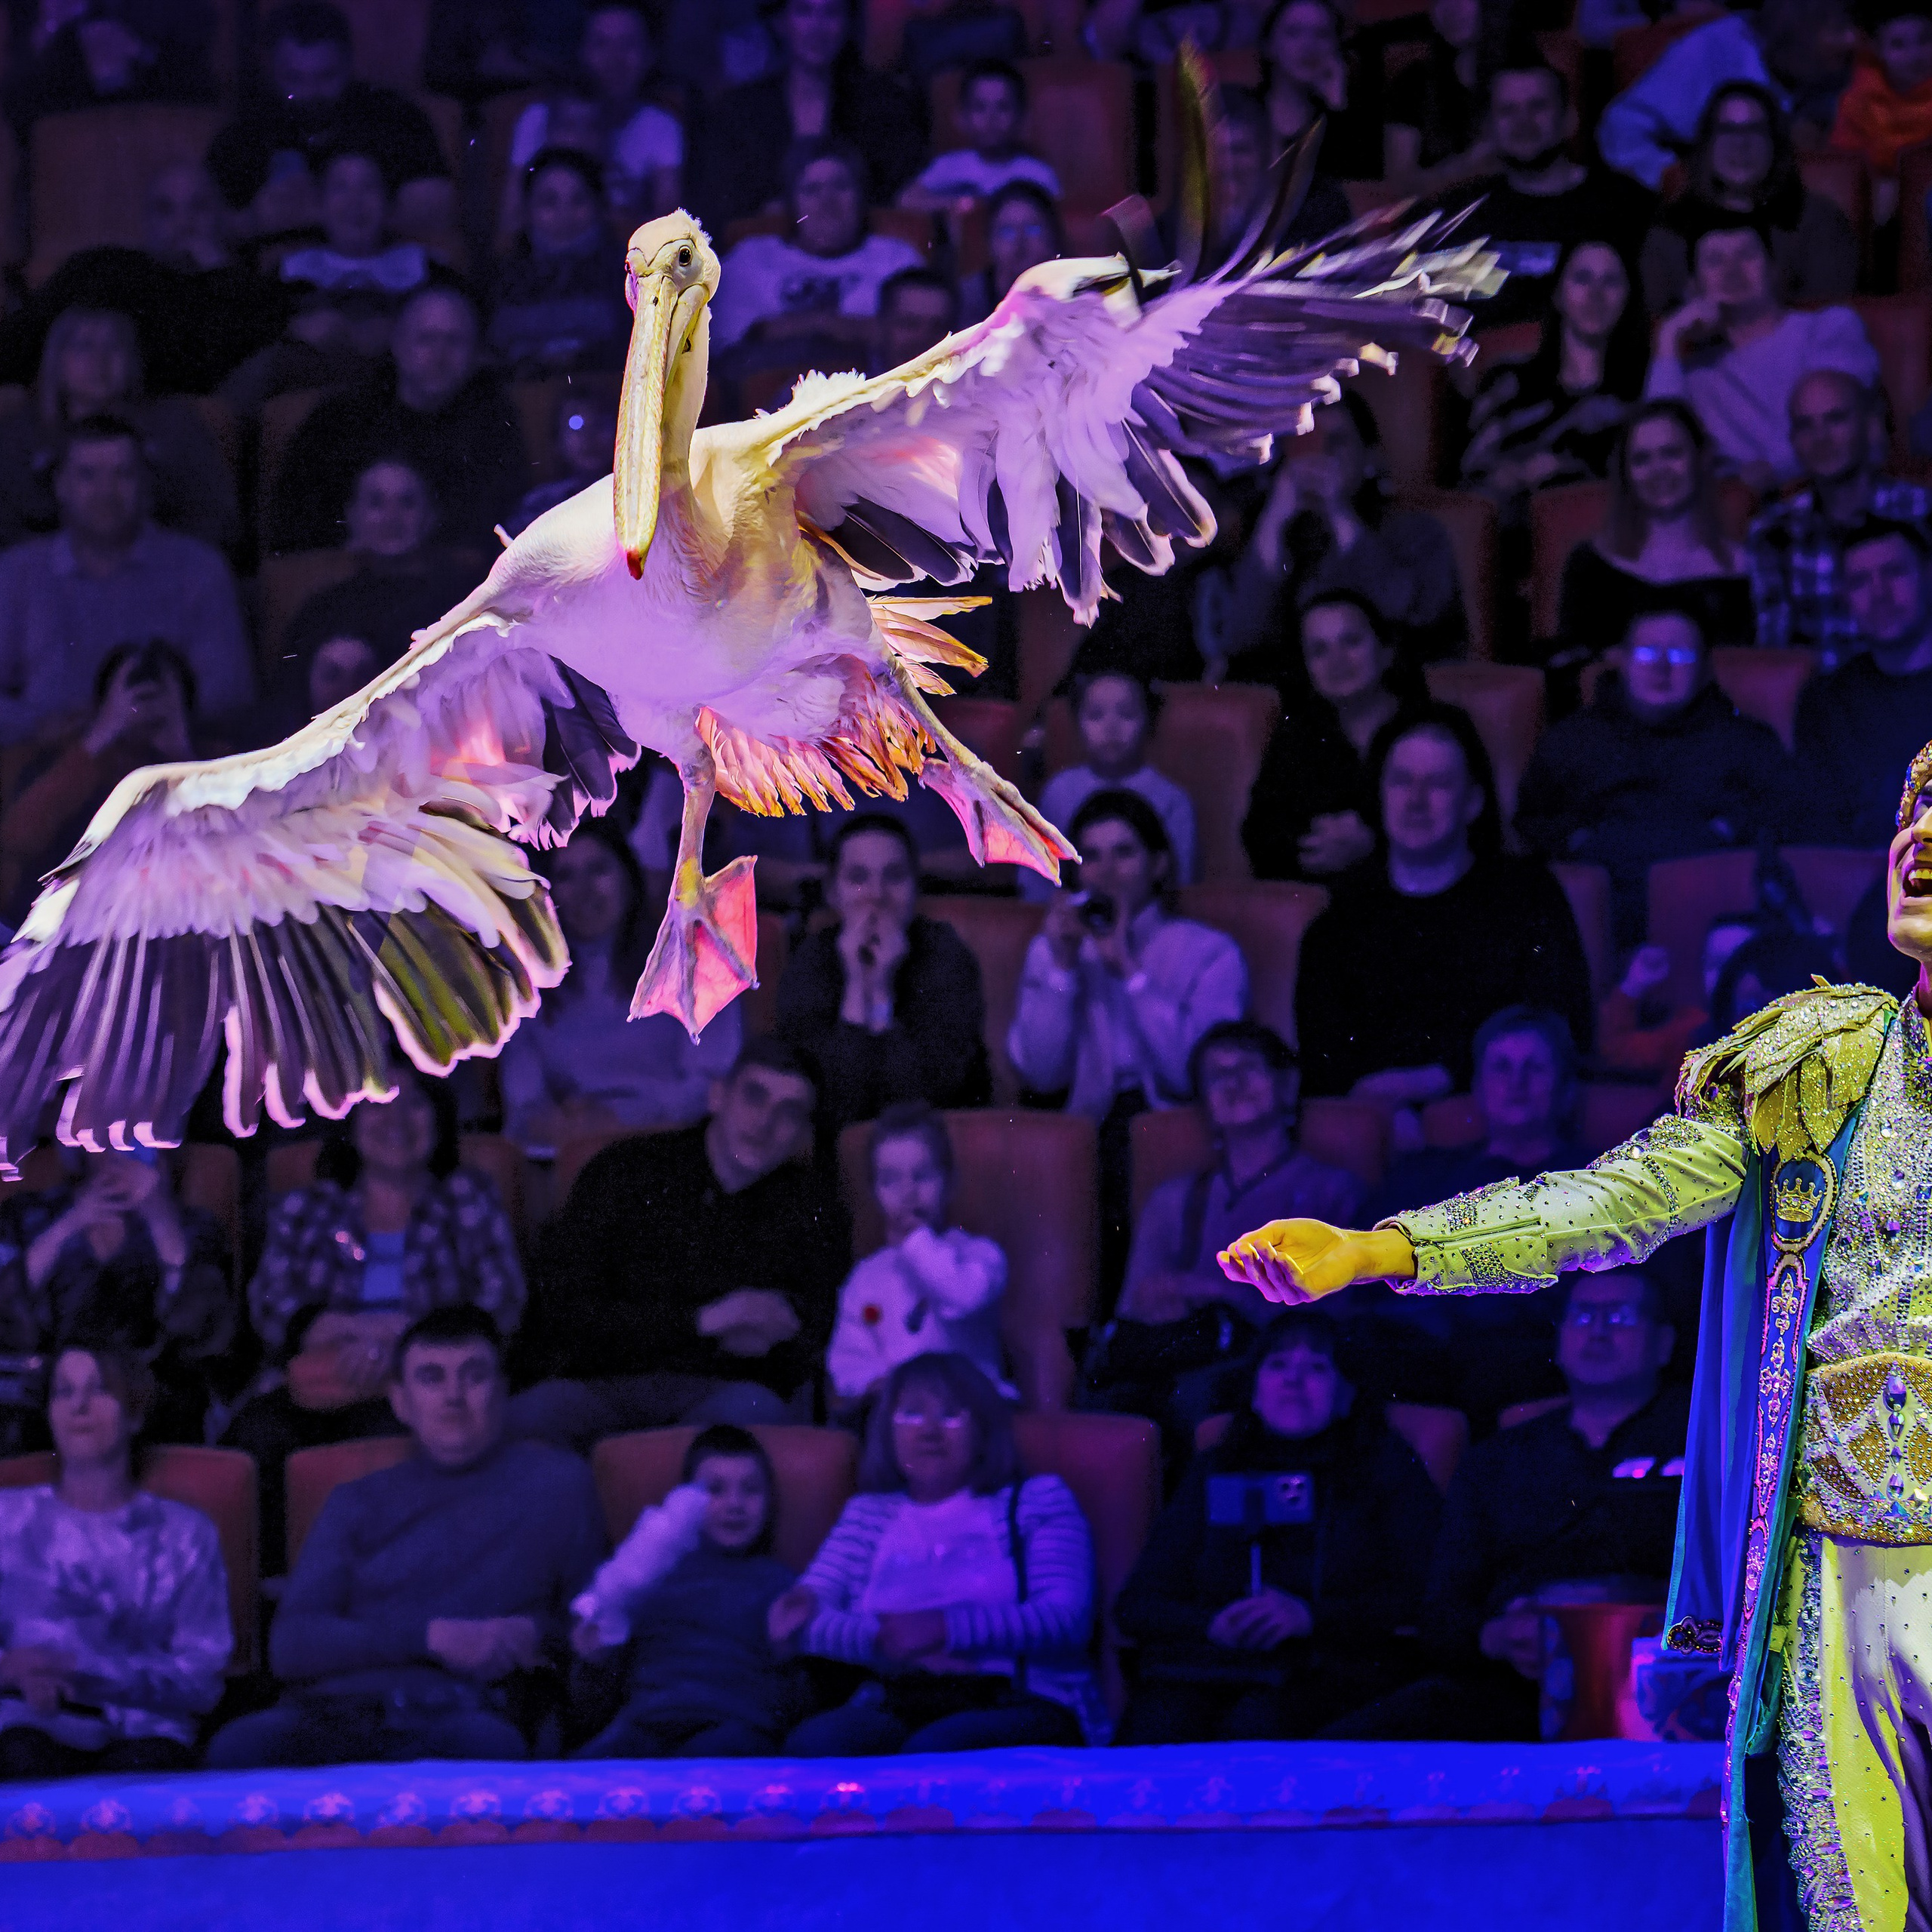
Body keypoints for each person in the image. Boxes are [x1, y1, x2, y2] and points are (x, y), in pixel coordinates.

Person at [1217, 724, 1932, 1925]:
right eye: (1914, 811)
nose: (1920, 840)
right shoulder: (1826, 1064)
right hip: (1844, 1583)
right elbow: (1612, 1204)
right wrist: (1383, 1248)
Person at [205, 1306, 605, 1768]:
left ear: (502, 1389)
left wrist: (538, 1636)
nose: (454, 1397)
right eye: (432, 1378)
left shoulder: (559, 1484)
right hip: (332, 1712)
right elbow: (291, 1645)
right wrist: (431, 1636)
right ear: (400, 1402)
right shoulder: (355, 1501)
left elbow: (592, 1630)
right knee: (236, 1750)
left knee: (489, 1749)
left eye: (474, 1376)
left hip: (463, 1711)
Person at [1340, 1272, 1688, 1744]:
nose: (1598, 1330)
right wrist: (1496, 1637)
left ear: (1663, 1342)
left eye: (1620, 1317)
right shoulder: (1499, 1458)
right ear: (1559, 1339)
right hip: (1514, 1682)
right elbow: (1441, 1610)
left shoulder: (1707, 1446)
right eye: (1582, 1316)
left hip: (1667, 1676)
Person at [224, 1071, 526, 1568]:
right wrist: (351, 1334)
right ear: (351, 1120)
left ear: (441, 1120)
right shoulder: (308, 1205)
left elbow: (504, 1301)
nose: (397, 1121)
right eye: (380, 1104)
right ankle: (286, 1586)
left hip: (429, 1384)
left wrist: (406, 1346)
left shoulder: (467, 1196)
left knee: (389, 1429)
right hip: (318, 1378)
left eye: (416, 1106)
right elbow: (269, 1303)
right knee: (257, 1436)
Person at [1114, 1309, 1441, 1744]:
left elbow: (1430, 1595)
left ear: (1348, 1395)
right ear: (1253, 1392)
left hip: (1337, 1669)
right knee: (1158, 1727)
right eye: (1278, 1365)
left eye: (1318, 1368)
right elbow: (1139, 1604)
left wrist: (1311, 1617)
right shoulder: (1217, 1469)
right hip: (1213, 1666)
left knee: (1257, 1726)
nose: (1294, 1380)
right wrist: (1211, 1623)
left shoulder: (1387, 1468)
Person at [512, 1038, 848, 1451]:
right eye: (754, 1096)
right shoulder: (625, 1171)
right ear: (717, 1096)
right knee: (531, 1418)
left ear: (802, 1134)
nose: (764, 1123)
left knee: (756, 1413)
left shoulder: (809, 1207)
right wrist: (708, 1322)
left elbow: (803, 1334)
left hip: (722, 1395)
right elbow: (565, 1313)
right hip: (601, 1384)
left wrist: (666, 1330)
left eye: (789, 1112)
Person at [771, 1352, 1105, 1752]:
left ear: (983, 1427)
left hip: (1020, 1698)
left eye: (951, 1415)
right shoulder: (869, 1513)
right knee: (816, 1745)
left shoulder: (1038, 1500)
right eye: (911, 1414)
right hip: (901, 1696)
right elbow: (801, 1620)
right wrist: (886, 1642)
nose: (929, 1431)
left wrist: (945, 1627)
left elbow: (1065, 1619)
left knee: (934, 1751)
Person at [1293, 706, 1595, 1107]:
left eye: (1437, 783)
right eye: (1401, 782)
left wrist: (1437, 1079)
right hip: (1376, 1135)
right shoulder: (1338, 923)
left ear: (1472, 801)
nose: (1416, 801)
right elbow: (1324, 1062)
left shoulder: (1528, 896)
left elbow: (1559, 1024)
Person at [1009, 787, 1247, 1293]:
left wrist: (1130, 973)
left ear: (1158, 864)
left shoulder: (1210, 952)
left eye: (1124, 853)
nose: (1105, 871)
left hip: (1172, 1118)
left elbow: (1193, 1073)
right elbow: (1040, 1071)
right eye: (1090, 856)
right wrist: (1064, 967)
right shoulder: (1052, 949)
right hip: (1085, 1122)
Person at [1093, 1022, 1363, 1444]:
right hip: (1179, 1358)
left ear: (1287, 1086)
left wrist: (1221, 1294)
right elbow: (1132, 1306)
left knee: (1201, 1401)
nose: (1234, 1083)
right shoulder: (1174, 1198)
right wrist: (1162, 1301)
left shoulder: (1332, 1190)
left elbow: (1336, 1317)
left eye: (1249, 1068)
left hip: (1275, 1367)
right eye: (1217, 1075)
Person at [0, 1344, 230, 1780]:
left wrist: (85, 1670)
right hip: (25, 1723)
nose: (78, 1406)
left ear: (135, 1413)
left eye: (99, 1390)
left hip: (147, 1735)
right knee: (22, 1760)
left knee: (142, 1779)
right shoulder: (6, 1519)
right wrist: (11, 1669)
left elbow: (203, 1681)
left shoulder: (186, 1534)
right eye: (63, 1392)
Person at [1515, 603, 1798, 946]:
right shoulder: (1571, 740)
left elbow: (1788, 812)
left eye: (1680, 656)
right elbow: (1531, 818)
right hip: (1597, 921)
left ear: (1705, 669)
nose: (1662, 668)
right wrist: (1577, 840)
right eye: (1648, 652)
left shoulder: (1745, 741)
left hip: (1712, 916)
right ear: (1623, 660)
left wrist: (1728, 830)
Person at [498, 816, 741, 1156]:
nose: (584, 891)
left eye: (598, 870)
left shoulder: (694, 961)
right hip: (574, 1154)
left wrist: (616, 1118)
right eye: (566, 876)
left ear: (629, 878)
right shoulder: (528, 987)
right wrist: (573, 1129)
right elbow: (525, 1110)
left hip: (676, 1148)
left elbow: (711, 1089)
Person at [0, 417, 251, 745]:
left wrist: (148, 718)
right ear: (61, 485)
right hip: (48, 764)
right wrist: (43, 727)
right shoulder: (18, 571)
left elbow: (228, 694)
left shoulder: (198, 568)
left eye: (123, 474)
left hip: (165, 760)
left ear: (145, 483)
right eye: (88, 475)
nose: (106, 491)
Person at [569, 1424, 809, 1756]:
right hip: (646, 1722)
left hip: (733, 1727)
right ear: (684, 1500)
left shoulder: (780, 1584)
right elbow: (594, 1705)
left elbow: (799, 1708)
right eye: (715, 1489)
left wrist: (786, 1655)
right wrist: (594, 1660)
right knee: (587, 1772)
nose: (734, 1504)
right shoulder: (650, 1574)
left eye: (751, 1490)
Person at [0, 1145, 235, 1454]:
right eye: (106, 1136)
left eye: (137, 1137)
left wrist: (159, 1217)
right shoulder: (28, 1213)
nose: (121, 1149)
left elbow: (204, 1334)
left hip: (155, 1396)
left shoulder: (194, 1226)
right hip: (43, 1395)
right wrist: (67, 1227)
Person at [265, 281, 529, 555]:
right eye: (426, 339)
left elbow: (505, 516)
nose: (439, 356)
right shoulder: (342, 419)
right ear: (398, 344)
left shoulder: (493, 420)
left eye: (454, 341)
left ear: (475, 353)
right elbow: (295, 519)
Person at [774, 814, 991, 1141]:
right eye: (858, 878)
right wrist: (856, 987)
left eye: (895, 877)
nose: (877, 894)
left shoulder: (946, 953)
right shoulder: (811, 958)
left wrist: (880, 992)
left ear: (916, 886)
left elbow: (923, 1098)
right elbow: (833, 1108)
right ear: (833, 892)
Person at [1220, 393, 1466, 682]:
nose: (1321, 456)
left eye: (1336, 443)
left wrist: (1338, 512)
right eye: (1307, 445)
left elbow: (1414, 614)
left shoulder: (1416, 531)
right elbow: (1243, 640)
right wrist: (1274, 518)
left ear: (1370, 456)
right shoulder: (1280, 536)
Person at [0, 162, 291, 399]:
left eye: (199, 207)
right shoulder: (109, 268)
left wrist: (217, 267)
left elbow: (246, 350)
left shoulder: (252, 286)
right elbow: (25, 335)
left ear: (221, 216)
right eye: (166, 210)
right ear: (147, 223)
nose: (184, 222)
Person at [1645, 211, 1878, 489]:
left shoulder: (1828, 327)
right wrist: (1669, 336)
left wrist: (1771, 473)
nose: (1733, 270)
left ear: (1773, 270)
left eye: (1747, 255)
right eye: (1715, 261)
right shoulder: (1695, 377)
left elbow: (1846, 431)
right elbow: (1656, 452)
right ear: (1694, 288)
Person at [261, 455, 480, 740]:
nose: (392, 517)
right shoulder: (322, 610)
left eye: (407, 502)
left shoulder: (461, 602)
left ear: (430, 517)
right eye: (377, 502)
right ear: (352, 516)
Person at [206, 0, 454, 246]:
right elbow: (204, 220)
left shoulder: (394, 119)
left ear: (348, 65)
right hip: (275, 278)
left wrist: (348, 215)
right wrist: (255, 220)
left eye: (326, 76)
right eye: (294, 78)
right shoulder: (246, 132)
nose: (311, 92)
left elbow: (437, 208)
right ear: (272, 69)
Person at [0, 305, 238, 552]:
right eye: (84, 347)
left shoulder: (175, 425)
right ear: (57, 361)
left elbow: (215, 515)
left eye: (113, 347)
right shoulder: (20, 434)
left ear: (132, 359)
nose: (99, 361)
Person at [1457, 237, 1647, 543]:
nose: (1595, 296)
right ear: (1558, 293)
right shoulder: (1508, 383)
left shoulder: (1645, 390)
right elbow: (1469, 474)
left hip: (1606, 538)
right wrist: (1518, 472)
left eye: (1610, 282)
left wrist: (1565, 470)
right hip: (1507, 538)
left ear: (1629, 297)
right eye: (1582, 279)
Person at [0, 641, 205, 925]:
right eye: (132, 689)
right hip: (79, 919)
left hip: (177, 915)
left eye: (159, 692)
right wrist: (103, 732)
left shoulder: (211, 759)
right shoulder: (80, 759)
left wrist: (179, 750)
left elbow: (226, 841)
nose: (142, 704)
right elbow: (16, 837)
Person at [827, 1104, 1011, 1411]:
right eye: (890, 1180)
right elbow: (849, 1361)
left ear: (950, 1183)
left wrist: (916, 1245)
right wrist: (879, 1385)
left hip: (971, 1406)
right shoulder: (867, 1277)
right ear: (875, 1193)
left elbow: (961, 1297)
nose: (908, 1194)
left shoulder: (980, 1256)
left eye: (922, 1176)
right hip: (894, 1411)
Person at [709, 139, 924, 395]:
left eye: (841, 186)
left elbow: (917, 341)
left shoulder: (897, 258)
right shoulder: (750, 257)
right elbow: (726, 352)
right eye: (812, 190)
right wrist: (836, 326)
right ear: (791, 203)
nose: (828, 202)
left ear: (861, 195)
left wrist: (791, 328)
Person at [685, 0, 924, 232]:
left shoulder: (883, 103)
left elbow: (899, 190)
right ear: (780, 22)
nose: (817, 27)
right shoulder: (739, 110)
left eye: (831, 12)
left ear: (848, 23)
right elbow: (719, 202)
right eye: (804, 11)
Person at [1241, 592, 1429, 884]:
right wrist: (1317, 850)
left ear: (1386, 651)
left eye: (1351, 642)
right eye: (1319, 650)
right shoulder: (1297, 735)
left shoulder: (1436, 727)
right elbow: (1260, 835)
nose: (1336, 661)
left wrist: (1375, 842)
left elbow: (1473, 829)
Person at [1749, 371, 1931, 663]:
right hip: (1827, 701)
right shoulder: (1773, 532)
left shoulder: (1921, 511)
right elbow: (1775, 652)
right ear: (1793, 440)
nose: (1821, 437)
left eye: (1836, 419)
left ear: (1869, 425)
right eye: (1806, 426)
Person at [1555, 400, 1755, 665]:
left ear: (1701, 459)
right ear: (1625, 473)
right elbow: (1570, 672)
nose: (1658, 470)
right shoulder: (1589, 565)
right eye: (1641, 459)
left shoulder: (1748, 568)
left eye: (1672, 453)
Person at [1459, 61, 1655, 328]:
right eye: (1508, 111)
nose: (1523, 122)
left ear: (1569, 119)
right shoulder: (1462, 215)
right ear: (1489, 128)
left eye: (1538, 106)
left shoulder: (1628, 204)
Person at [1640, 85, 1858, 316]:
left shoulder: (1820, 222)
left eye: (1755, 130)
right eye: (1727, 130)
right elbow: (1655, 320)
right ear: (1707, 144)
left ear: (1775, 142)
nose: (1741, 144)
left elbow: (1830, 319)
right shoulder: (1672, 228)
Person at [1596, 0, 1858, 192]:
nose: (1851, 40)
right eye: (1836, 28)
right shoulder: (1711, 51)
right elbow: (1622, 127)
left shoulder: (1836, 74)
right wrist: (1681, 182)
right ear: (1798, 28)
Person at [1795, 518, 1932, 845]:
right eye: (1860, 581)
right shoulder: (1826, 703)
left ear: (1928, 576)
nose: (1879, 594)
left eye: (1895, 573)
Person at [497, 4, 683, 238]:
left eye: (628, 45)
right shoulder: (536, 119)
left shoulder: (661, 125)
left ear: (649, 55)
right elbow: (509, 222)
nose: (614, 60)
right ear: (582, 52)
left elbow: (669, 231)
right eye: (601, 44)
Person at [1023, 669, 1196, 902]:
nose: (1111, 727)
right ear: (1077, 724)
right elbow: (1036, 879)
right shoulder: (1058, 791)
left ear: (1148, 721)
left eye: (1126, 714)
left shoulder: (1172, 799)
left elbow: (1180, 884)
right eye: (1096, 715)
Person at [487, 148, 629, 379]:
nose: (565, 215)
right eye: (549, 202)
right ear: (527, 210)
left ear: (598, 207)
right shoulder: (501, 276)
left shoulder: (628, 275)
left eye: (579, 200)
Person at [1598, 916, 1757, 1084]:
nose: (1726, 975)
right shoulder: (1690, 1031)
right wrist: (1634, 984)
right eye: (1715, 963)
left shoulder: (1783, 1029)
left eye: (1739, 964)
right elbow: (1615, 1049)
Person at [2, 0, 215, 125]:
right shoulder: (30, 8)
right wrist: (49, 26)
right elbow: (16, 100)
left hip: (156, 120)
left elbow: (201, 82)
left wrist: (139, 52)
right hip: (67, 130)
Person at [900, 60, 1060, 210]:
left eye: (1003, 107)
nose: (991, 118)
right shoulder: (948, 166)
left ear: (1022, 118)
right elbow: (906, 199)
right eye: (980, 107)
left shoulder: (1037, 174)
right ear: (961, 118)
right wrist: (963, 204)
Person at [278, 143, 429, 300]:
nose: (355, 201)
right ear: (320, 205)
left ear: (387, 203)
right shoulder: (292, 272)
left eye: (368, 186)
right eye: (340, 187)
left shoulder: (420, 268)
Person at [1829, 0, 1932, 227]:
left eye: (1925, 40)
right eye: (1898, 45)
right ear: (1877, 50)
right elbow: (1848, 176)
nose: (1915, 55)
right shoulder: (1858, 105)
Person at [1382, 0, 1488, 195]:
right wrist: (1469, 163)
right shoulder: (1413, 83)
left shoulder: (1525, 73)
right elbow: (1400, 184)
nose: (1451, 8)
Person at [506, 382, 618, 534]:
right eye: (576, 423)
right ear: (557, 438)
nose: (589, 435)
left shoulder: (632, 500)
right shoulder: (540, 505)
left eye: (601, 423)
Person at [955, 179, 1064, 325]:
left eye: (1033, 230)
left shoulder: (1074, 291)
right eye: (1008, 232)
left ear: (1052, 235)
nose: (1020, 242)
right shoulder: (969, 296)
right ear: (990, 240)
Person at [871, 267, 958, 374]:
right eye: (910, 324)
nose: (923, 338)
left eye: (937, 327)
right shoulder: (849, 388)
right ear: (881, 327)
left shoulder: (972, 389)